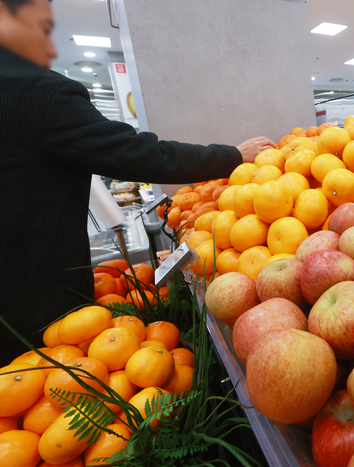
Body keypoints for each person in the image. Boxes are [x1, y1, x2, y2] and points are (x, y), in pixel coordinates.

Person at [0, 0, 277, 363]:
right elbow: (141, 155)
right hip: (30, 302)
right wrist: (233, 155)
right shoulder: (40, 93)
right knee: (42, 389)